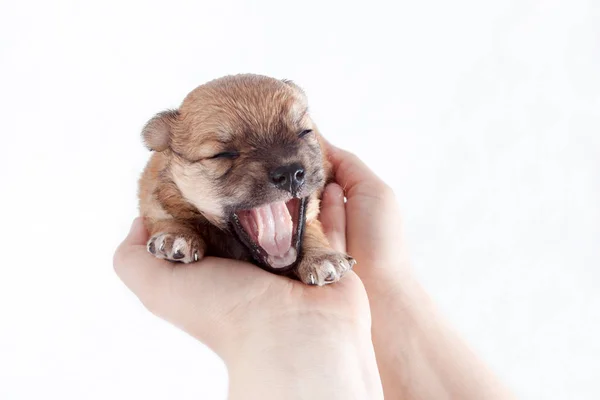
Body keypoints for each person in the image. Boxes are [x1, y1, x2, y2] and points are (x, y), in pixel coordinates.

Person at [113, 142, 514, 400]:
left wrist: (380, 280)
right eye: (224, 154)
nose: (285, 168)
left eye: (301, 133)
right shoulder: (167, 190)